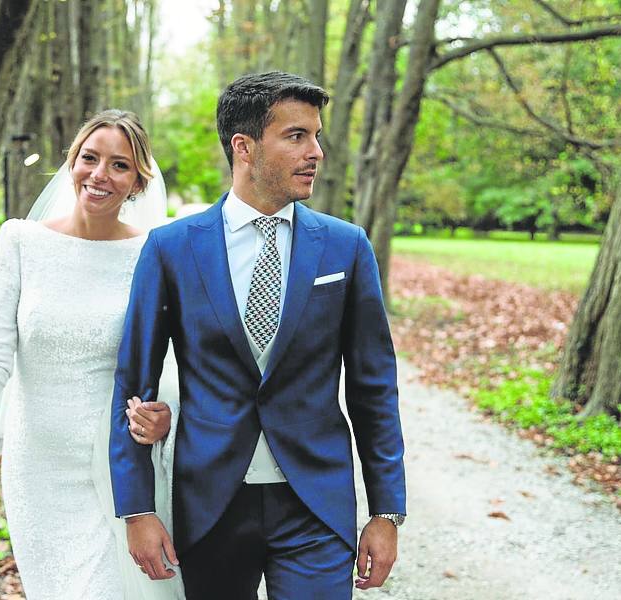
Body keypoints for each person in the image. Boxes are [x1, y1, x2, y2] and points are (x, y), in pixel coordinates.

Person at [109, 71, 406, 599]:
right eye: (296, 136)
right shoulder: (172, 248)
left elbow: (374, 388)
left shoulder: (346, 247)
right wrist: (137, 509)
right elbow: (133, 386)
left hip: (315, 503)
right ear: (243, 147)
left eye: (317, 135)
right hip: (211, 504)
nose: (315, 151)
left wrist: (386, 511)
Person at [0, 109, 185, 600]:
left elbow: (172, 363)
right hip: (37, 468)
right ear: (71, 163)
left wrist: (167, 417)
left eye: (120, 165)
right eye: (90, 158)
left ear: (138, 183)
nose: (100, 174)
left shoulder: (153, 253)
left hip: (117, 465)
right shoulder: (22, 241)